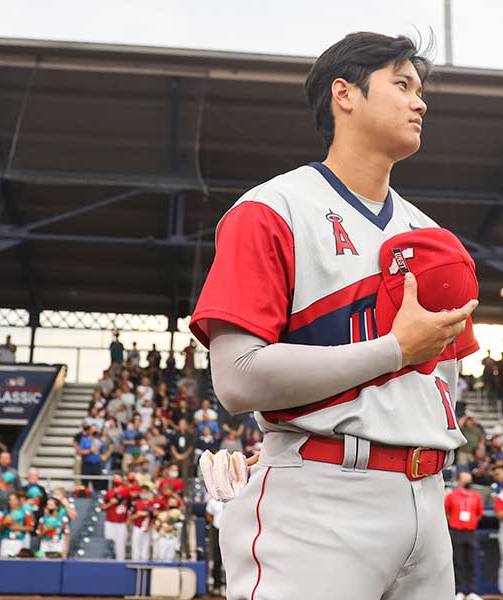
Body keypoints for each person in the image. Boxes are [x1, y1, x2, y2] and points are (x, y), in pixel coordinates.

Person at [192, 33, 479, 600]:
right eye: (402, 85)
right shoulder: (270, 209)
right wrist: (393, 352)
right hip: (320, 500)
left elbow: (440, 387)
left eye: (420, 90)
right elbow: (236, 377)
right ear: (343, 94)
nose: (420, 102)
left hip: (427, 494)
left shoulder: (433, 238)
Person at [445, 471, 483, 600]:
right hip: (457, 532)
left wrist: (471, 523)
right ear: (459, 481)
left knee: (472, 562)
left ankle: (472, 591)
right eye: (466, 479)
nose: (469, 481)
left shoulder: (476, 496)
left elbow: (479, 513)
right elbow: (447, 513)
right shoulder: (451, 496)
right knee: (458, 562)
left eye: (469, 479)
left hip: (471, 532)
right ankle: (459, 591)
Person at [101, 476, 130, 560]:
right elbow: (103, 506)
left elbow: (116, 500)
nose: (116, 480)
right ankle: (109, 561)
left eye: (118, 478)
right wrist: (107, 505)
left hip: (122, 522)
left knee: (120, 545)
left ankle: (120, 562)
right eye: (115, 479)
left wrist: (108, 505)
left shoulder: (125, 490)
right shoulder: (109, 492)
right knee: (109, 543)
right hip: (110, 521)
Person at [0, 491, 33, 557]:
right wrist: (5, 523)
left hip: (18, 540)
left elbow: (31, 528)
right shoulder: (5, 512)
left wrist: (19, 528)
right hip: (6, 540)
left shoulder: (25, 512)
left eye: (14, 500)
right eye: (10, 500)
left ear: (18, 500)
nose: (11, 502)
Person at [205, 495, 226, 596]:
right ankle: (217, 586)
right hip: (217, 531)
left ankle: (226, 586)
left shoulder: (233, 499)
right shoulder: (213, 501)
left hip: (230, 532)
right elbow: (208, 514)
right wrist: (214, 524)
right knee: (217, 559)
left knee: (229, 561)